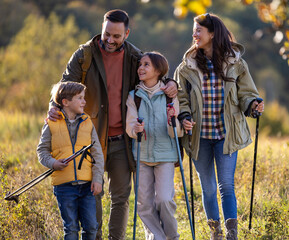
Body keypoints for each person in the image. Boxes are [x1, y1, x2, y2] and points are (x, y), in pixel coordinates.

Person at [47, 9, 177, 239]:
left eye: (116, 36)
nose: (110, 40)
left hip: (121, 140)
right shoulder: (84, 55)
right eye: (107, 33)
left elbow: (156, 74)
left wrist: (171, 83)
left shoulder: (135, 57)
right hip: (90, 138)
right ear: (102, 28)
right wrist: (53, 105)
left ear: (126, 34)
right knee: (92, 193)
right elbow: (65, 84)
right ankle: (94, 236)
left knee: (120, 197)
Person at [174, 13, 265, 240]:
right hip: (199, 136)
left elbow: (247, 94)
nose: (194, 34)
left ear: (212, 33)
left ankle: (231, 234)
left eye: (198, 30)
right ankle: (216, 235)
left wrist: (253, 104)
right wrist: (183, 115)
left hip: (226, 134)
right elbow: (180, 97)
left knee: (226, 185)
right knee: (208, 188)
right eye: (194, 30)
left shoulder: (235, 63)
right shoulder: (186, 67)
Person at [126, 52, 183, 240]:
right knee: (144, 205)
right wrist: (136, 129)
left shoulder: (170, 95)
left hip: (165, 155)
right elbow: (130, 127)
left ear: (158, 71)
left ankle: (171, 236)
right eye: (140, 64)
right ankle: (157, 238)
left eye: (146, 65)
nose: (140, 68)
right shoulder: (134, 96)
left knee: (165, 200)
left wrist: (172, 122)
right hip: (142, 154)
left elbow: (178, 132)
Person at [37, 82, 104, 240]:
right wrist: (53, 163)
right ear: (65, 102)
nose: (84, 101)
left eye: (84, 98)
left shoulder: (88, 123)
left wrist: (97, 179)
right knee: (71, 228)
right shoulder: (51, 124)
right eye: (80, 98)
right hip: (64, 187)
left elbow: (97, 154)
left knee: (91, 227)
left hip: (87, 186)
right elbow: (42, 151)